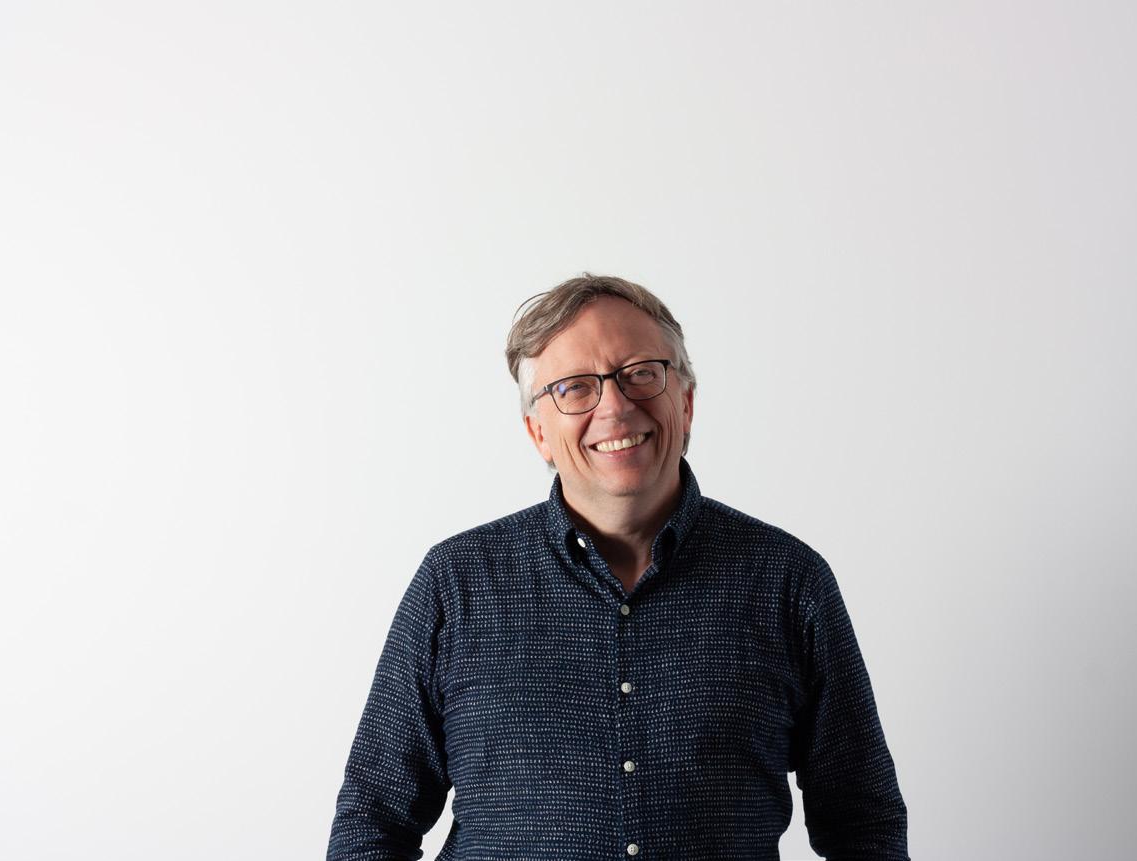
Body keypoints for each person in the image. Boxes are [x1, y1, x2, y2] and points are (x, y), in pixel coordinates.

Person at [326, 274, 909, 860]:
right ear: (538, 432)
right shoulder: (456, 584)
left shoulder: (789, 582)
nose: (615, 406)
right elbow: (372, 823)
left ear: (685, 403)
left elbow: (864, 824)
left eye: (640, 373)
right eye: (575, 388)